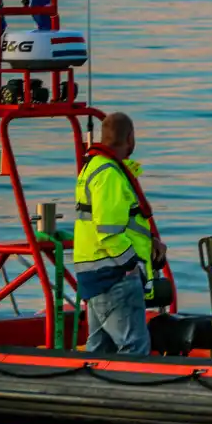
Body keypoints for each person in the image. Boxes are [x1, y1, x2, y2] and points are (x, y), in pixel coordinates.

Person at [73, 112, 167, 355]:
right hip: (113, 274)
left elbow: (119, 222)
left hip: (97, 273)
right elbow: (109, 232)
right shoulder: (110, 175)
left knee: (99, 351)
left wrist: (149, 242)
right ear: (130, 138)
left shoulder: (93, 167)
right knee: (134, 347)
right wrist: (130, 264)